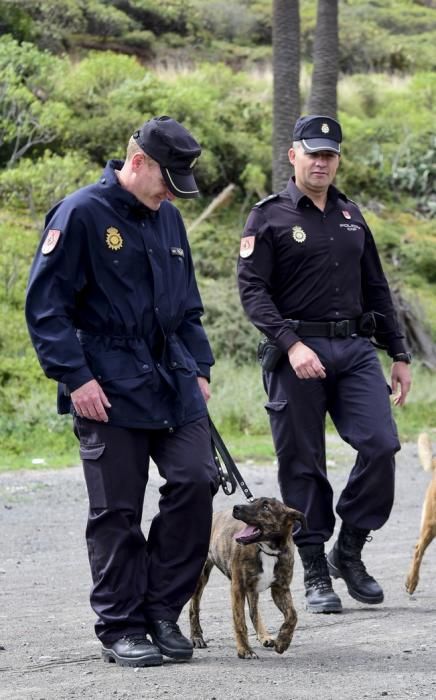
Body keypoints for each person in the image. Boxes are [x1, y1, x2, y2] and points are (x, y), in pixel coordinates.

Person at [25, 115, 218, 667]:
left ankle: (160, 608)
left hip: (170, 374)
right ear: (138, 163)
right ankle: (121, 625)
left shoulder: (169, 218)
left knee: (196, 480)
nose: (170, 194)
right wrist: (75, 376)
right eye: (166, 181)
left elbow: (188, 307)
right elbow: (46, 307)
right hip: (105, 380)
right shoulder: (81, 213)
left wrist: (200, 367)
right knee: (117, 510)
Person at [237, 115, 412, 614]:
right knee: (303, 460)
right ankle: (314, 566)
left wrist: (397, 352)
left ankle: (349, 551)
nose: (321, 161)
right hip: (296, 353)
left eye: (329, 154)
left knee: (381, 444)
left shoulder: (352, 216)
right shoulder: (268, 217)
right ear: (292, 155)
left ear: (337, 159)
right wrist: (291, 344)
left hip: (354, 349)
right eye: (312, 152)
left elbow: (377, 288)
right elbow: (252, 292)